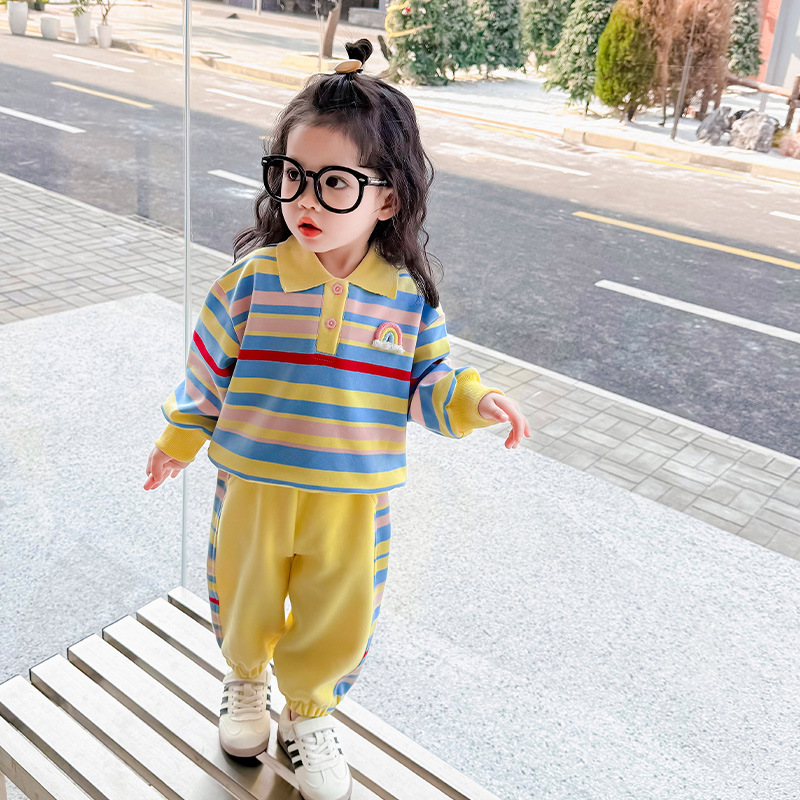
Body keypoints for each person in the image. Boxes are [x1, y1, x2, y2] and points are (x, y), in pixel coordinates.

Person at [144, 37, 531, 800]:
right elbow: (206, 372)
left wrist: (473, 401)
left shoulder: (407, 298)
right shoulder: (250, 282)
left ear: (388, 198)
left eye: (333, 183)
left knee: (341, 613)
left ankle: (309, 713)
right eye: (291, 176)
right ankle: (246, 681)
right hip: (253, 485)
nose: (305, 201)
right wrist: (178, 440)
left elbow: (428, 381)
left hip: (354, 497)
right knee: (243, 594)